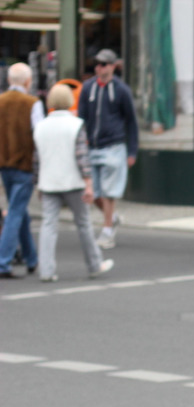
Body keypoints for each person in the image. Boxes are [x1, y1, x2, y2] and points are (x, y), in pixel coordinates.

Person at [34, 84, 113, 282]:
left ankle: (47, 270)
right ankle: (94, 265)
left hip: (49, 182)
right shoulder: (76, 124)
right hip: (73, 182)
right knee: (84, 224)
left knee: (48, 225)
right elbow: (82, 157)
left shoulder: (40, 126)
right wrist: (89, 183)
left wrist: (38, 183)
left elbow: (37, 159)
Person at [78, 48, 138, 250]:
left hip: (114, 145)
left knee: (109, 191)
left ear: (112, 66)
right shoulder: (88, 88)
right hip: (92, 146)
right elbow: (82, 118)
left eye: (103, 64)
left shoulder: (121, 90)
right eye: (97, 64)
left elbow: (131, 121)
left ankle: (107, 229)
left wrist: (132, 151)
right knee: (93, 192)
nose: (99, 68)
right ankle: (111, 218)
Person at [0, 62, 44, 279]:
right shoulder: (32, 103)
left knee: (19, 211)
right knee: (16, 213)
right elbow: (40, 135)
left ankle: (31, 258)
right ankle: (3, 261)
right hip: (24, 165)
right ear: (28, 81)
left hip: (4, 165)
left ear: (9, 80)